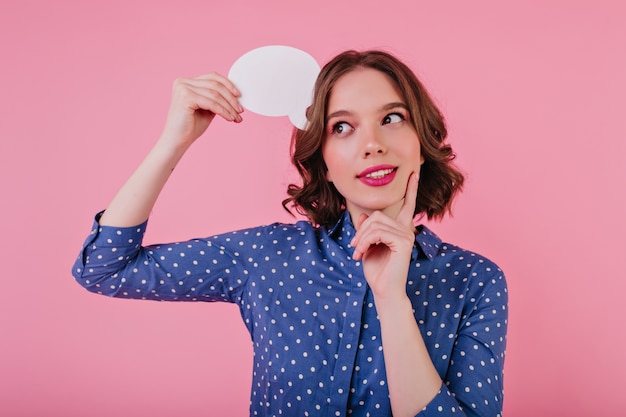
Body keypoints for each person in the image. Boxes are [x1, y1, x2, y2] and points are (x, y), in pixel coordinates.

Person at [72, 50, 508, 417]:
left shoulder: (475, 280)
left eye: (392, 118)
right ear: (324, 160)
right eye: (342, 127)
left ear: (422, 140)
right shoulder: (268, 256)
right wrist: (174, 139)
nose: (372, 143)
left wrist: (392, 300)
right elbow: (104, 268)